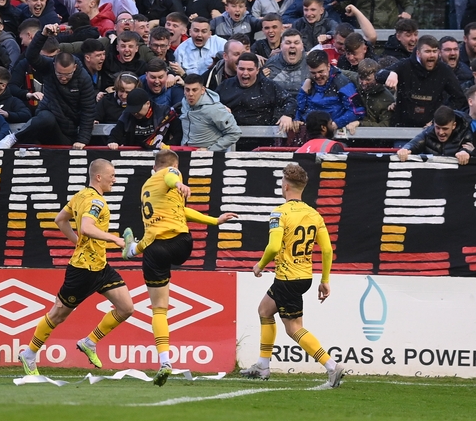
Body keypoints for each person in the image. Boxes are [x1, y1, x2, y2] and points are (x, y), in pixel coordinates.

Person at [121, 149, 238, 386]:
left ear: (153, 168)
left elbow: (181, 210)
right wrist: (179, 184)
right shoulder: (172, 173)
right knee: (161, 303)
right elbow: (171, 176)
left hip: (154, 249)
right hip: (179, 244)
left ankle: (165, 360)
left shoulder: (147, 186)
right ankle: (132, 249)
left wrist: (214, 220)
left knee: (158, 309)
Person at [17, 159, 134, 376]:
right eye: (112, 175)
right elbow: (86, 227)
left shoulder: (80, 196)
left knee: (126, 308)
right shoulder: (97, 202)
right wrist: (114, 239)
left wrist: (77, 241)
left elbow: (60, 219)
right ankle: (30, 354)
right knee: (58, 315)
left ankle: (89, 342)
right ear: (98, 177)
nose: (114, 180)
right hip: (82, 271)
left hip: (100, 266)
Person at [240, 163, 344, 389]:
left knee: (294, 327)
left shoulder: (280, 212)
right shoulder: (314, 214)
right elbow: (327, 250)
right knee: (265, 311)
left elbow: (274, 245)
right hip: (303, 276)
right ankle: (262, 365)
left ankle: (331, 366)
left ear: (285, 186)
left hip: (287, 278)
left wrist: (260, 265)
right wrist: (325, 279)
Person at [0, 24, 96, 148]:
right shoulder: (49, 66)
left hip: (68, 130)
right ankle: (14, 137)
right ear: (54, 65)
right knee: (45, 118)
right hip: (46, 118)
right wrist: (42, 35)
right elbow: (31, 56)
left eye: (68, 74)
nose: (64, 78)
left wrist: (82, 140)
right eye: (59, 74)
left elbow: (88, 110)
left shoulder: (84, 78)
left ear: (75, 68)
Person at [380, 35, 467, 127]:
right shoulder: (405, 65)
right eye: (428, 51)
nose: (432, 55)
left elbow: (459, 98)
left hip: (433, 131)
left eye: (434, 51)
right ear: (418, 53)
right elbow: (378, 75)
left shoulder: (444, 70)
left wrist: (441, 116)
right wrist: (391, 74)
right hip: (403, 127)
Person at [218, 52, 296, 149]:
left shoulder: (268, 86)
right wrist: (219, 108)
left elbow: (290, 100)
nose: (245, 73)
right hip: (230, 140)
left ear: (257, 70)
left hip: (262, 141)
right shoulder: (226, 85)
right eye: (241, 69)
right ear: (236, 68)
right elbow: (209, 104)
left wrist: (287, 115)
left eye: (250, 69)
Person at [296, 49, 364, 129]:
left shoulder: (342, 83)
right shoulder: (308, 83)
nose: (317, 76)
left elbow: (357, 111)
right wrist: (296, 119)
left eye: (321, 71)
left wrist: (336, 124)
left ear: (328, 66)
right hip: (310, 130)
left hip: (332, 131)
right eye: (313, 73)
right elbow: (299, 108)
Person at [180, 73, 242, 150]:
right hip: (185, 152)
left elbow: (235, 133)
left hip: (209, 156)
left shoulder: (215, 109)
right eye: (187, 90)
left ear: (202, 90)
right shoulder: (184, 102)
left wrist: (209, 150)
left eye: (194, 90)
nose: (190, 94)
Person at [396, 105, 475, 165]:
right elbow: (414, 144)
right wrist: (405, 149)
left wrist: (465, 152)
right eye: (437, 128)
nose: (440, 132)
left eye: (445, 129)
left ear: (454, 125)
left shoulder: (464, 132)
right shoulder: (428, 133)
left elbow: (470, 147)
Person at [107, 87, 182, 149]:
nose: (135, 113)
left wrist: (168, 146)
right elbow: (115, 134)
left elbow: (178, 133)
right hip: (133, 154)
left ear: (148, 104)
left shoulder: (165, 113)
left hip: (160, 155)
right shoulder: (127, 115)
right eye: (132, 110)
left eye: (137, 109)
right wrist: (113, 143)